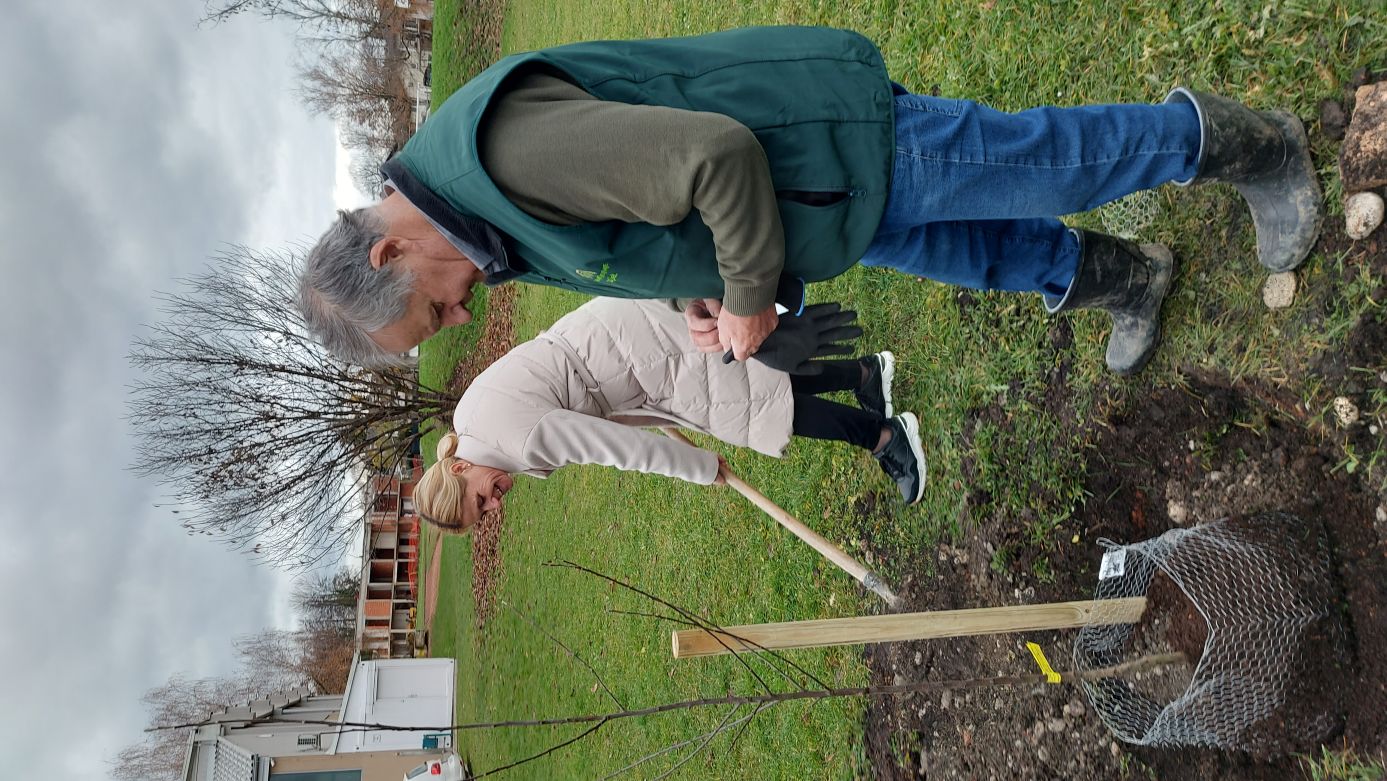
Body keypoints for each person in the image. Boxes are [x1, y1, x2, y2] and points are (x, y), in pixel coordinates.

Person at [297, 25, 1322, 376]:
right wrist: (693, 297)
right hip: (820, 203)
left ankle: (1251, 146)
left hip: (823, 144)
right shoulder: (483, 224)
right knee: (977, 253)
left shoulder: (500, 160)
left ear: (389, 254)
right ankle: (1127, 279)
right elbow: (636, 224)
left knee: (1045, 164)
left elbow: (713, 159)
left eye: (434, 312)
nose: (461, 315)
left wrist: (747, 293)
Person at [412, 296, 927, 531]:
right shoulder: (470, 423)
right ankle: (866, 376)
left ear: (458, 469)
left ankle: (886, 436)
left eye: (481, 500)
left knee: (758, 407)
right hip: (613, 342)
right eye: (484, 514)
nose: (493, 506)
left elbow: (617, 450)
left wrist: (700, 469)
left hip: (638, 356)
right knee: (751, 384)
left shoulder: (517, 441)